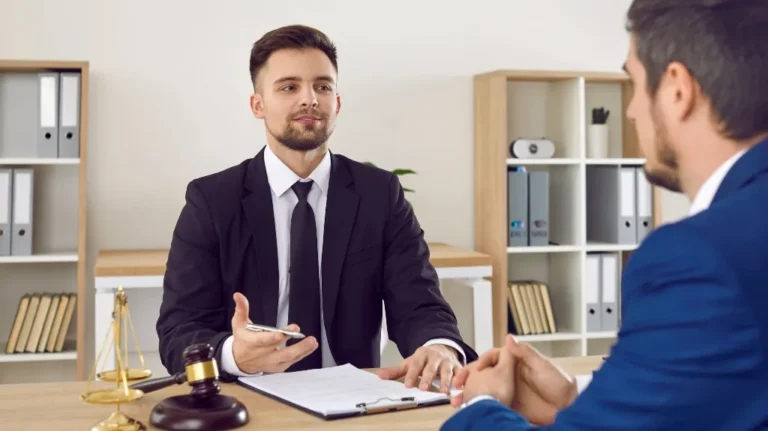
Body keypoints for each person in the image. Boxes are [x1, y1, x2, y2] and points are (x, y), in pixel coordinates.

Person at [442, 0, 768, 429]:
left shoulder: (698, 256)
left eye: (634, 84)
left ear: (676, 89)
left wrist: (479, 408)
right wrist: (578, 400)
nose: (631, 112)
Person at [155, 24, 477, 390]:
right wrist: (232, 354)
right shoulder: (212, 200)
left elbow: (419, 302)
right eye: (289, 87)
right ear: (257, 105)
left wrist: (439, 347)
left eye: (322, 86)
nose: (309, 99)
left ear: (337, 102)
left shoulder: (379, 193)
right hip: (248, 397)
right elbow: (179, 328)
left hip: (353, 397)